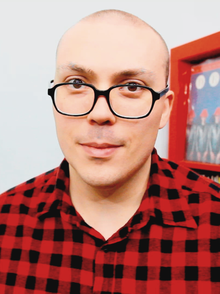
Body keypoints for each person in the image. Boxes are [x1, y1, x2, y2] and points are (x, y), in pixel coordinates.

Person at [0, 9, 219, 294]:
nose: (100, 113)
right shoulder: (5, 222)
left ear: (164, 109)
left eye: (131, 86)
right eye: (76, 83)